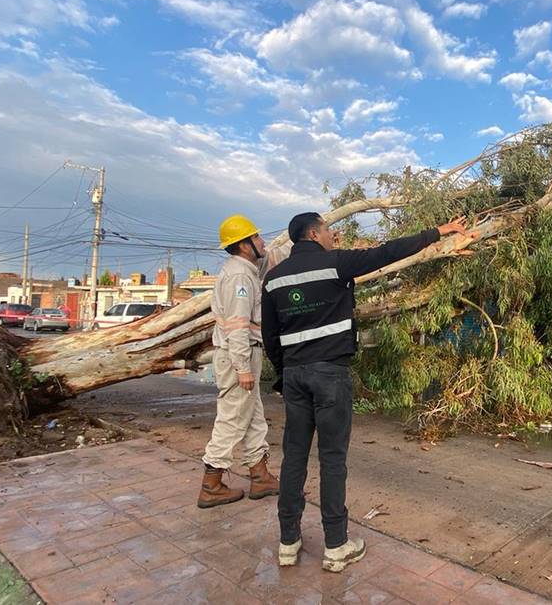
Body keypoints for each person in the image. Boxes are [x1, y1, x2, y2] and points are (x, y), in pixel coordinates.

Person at [262, 212, 472, 572]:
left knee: (294, 457)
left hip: (295, 377)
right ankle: (336, 546)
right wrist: (439, 231)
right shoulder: (336, 264)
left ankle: (287, 542)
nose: (333, 235)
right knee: (331, 458)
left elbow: (270, 337)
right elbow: (389, 252)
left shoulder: (273, 279)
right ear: (313, 233)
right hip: (330, 374)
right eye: (328, 230)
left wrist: (285, 373)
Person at [197, 214, 289, 508]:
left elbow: (273, 258)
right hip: (240, 353)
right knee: (233, 418)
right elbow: (237, 325)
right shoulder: (239, 277)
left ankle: (260, 476)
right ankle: (211, 484)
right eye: (258, 237)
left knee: (252, 417)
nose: (263, 241)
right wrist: (243, 367)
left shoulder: (247, 268)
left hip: (246, 352)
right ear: (245, 244)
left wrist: (301, 241)